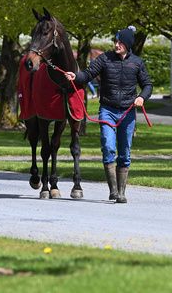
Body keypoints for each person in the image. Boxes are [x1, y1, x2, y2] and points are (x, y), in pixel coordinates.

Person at [64, 26, 152, 203]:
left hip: (127, 113)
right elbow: (88, 75)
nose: (117, 45)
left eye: (120, 42)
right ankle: (113, 191)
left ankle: (121, 192)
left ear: (128, 44)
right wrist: (75, 76)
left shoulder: (137, 62)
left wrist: (141, 97)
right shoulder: (104, 59)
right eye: (116, 41)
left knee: (125, 152)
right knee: (108, 147)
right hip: (108, 111)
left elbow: (147, 85)